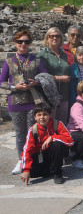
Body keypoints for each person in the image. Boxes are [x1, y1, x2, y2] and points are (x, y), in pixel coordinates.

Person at [0, 30, 48, 175]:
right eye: (20, 41)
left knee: (32, 134)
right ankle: (21, 160)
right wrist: (14, 87)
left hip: (33, 102)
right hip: (15, 103)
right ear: (15, 43)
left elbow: (46, 77)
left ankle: (32, 161)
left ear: (30, 44)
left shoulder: (36, 60)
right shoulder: (9, 62)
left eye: (26, 42)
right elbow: (1, 82)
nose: (23, 44)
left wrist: (36, 82)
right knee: (20, 134)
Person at [20, 105, 74, 185]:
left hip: (54, 153)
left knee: (57, 144)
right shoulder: (33, 130)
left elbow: (70, 141)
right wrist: (26, 170)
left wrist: (52, 137)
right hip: (41, 155)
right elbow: (27, 150)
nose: (42, 117)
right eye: (39, 115)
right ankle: (48, 170)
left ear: (50, 115)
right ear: (35, 117)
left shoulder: (57, 124)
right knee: (30, 172)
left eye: (45, 114)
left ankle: (57, 173)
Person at [38, 27, 70, 124]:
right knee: (50, 123)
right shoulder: (42, 55)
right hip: (50, 95)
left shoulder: (64, 54)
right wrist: (59, 78)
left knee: (62, 123)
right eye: (52, 36)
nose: (55, 38)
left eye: (57, 36)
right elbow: (40, 76)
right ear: (47, 38)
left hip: (64, 93)